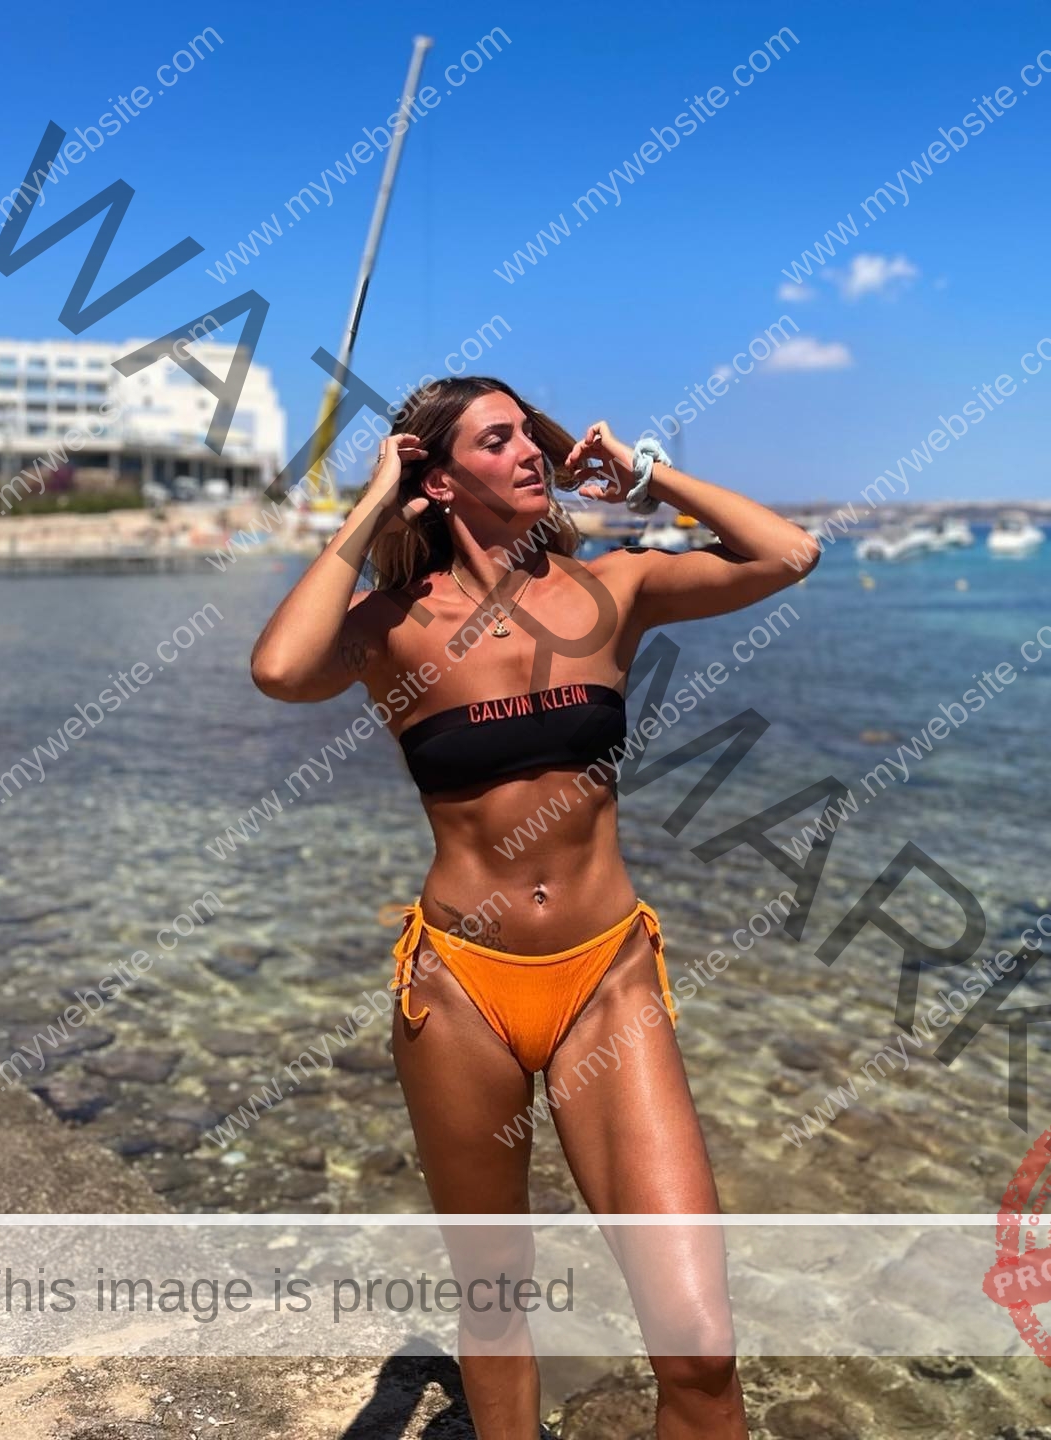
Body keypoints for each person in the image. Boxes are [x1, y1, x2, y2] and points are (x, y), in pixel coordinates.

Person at [250, 375, 819, 1439]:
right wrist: (372, 506)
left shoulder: (610, 589)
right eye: (501, 437)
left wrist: (640, 472)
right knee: (498, 1310)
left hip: (607, 977)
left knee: (699, 1346)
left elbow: (787, 554)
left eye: (533, 435)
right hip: (460, 990)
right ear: (440, 473)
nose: (530, 451)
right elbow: (281, 671)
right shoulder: (394, 627)